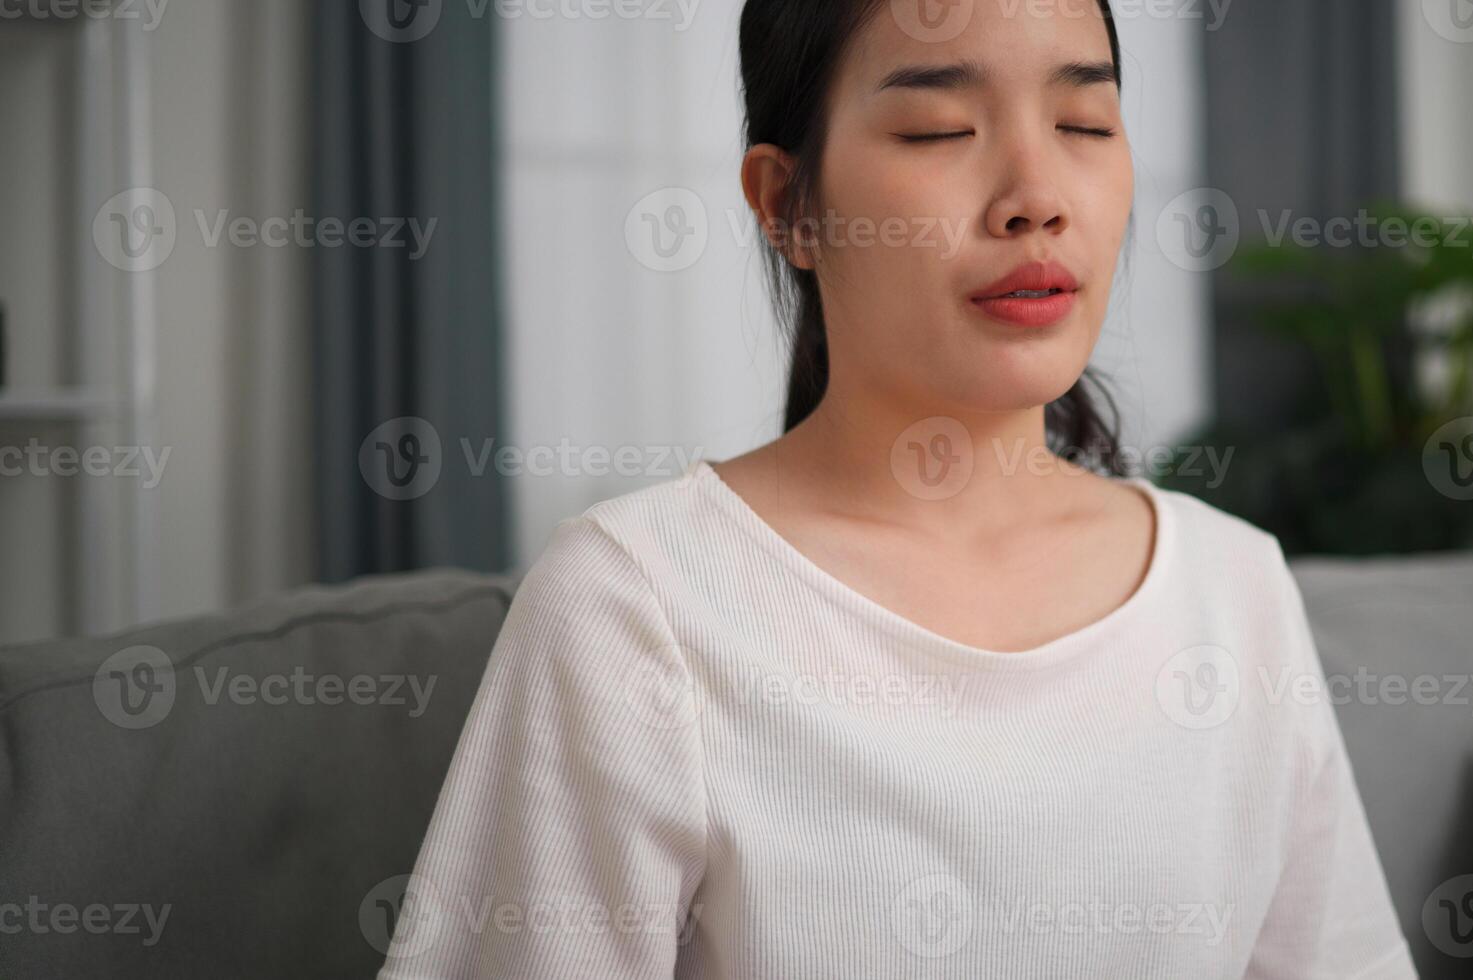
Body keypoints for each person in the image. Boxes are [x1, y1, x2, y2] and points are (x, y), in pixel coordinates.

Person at [379, 0, 1416, 975]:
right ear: (787, 206)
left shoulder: (1233, 590)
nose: (1037, 196)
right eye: (936, 129)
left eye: (1083, 121)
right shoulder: (635, 604)